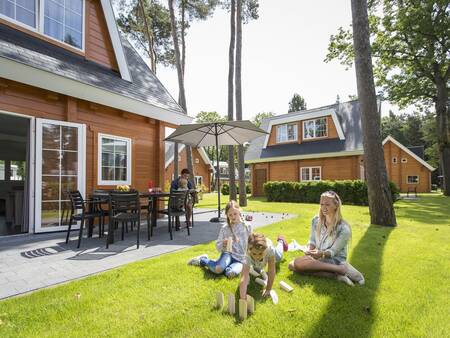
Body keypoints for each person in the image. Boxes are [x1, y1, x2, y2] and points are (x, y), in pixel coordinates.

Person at [288, 191, 365, 286]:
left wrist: (321, 253)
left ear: (336, 206)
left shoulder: (344, 228)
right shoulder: (316, 220)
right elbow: (312, 240)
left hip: (335, 260)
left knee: (298, 264)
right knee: (291, 265)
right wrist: (309, 250)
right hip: (319, 257)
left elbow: (333, 251)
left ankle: (339, 268)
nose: (323, 207)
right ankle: (337, 275)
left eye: (327, 204)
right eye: (321, 204)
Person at [187, 200, 252, 278]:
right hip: (228, 254)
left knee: (230, 273)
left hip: (241, 259)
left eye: (235, 214)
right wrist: (223, 244)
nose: (233, 217)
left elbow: (251, 244)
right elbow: (218, 247)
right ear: (227, 215)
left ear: (239, 211)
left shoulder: (247, 226)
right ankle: (203, 260)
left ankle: (223, 265)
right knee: (218, 270)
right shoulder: (225, 228)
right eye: (230, 215)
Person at [239, 233, 288, 300]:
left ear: (265, 250)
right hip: (256, 259)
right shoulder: (247, 255)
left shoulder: (269, 250)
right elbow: (244, 277)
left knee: (279, 256)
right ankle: (258, 262)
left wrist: (268, 289)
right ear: (249, 250)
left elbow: (271, 271)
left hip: (272, 252)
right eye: (254, 254)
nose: (257, 256)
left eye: (260, 253)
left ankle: (281, 241)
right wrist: (243, 298)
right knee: (257, 267)